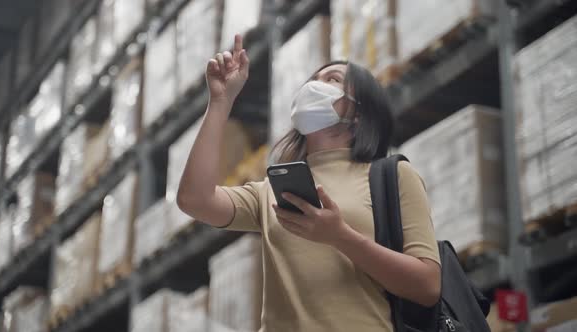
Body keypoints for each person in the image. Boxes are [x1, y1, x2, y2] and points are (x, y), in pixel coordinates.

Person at [177, 34, 441, 332]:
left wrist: (340, 235)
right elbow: (194, 200)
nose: (313, 86)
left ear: (360, 111)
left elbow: (427, 286)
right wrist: (221, 102)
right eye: (313, 80)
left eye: (332, 79)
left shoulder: (392, 176)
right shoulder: (273, 190)